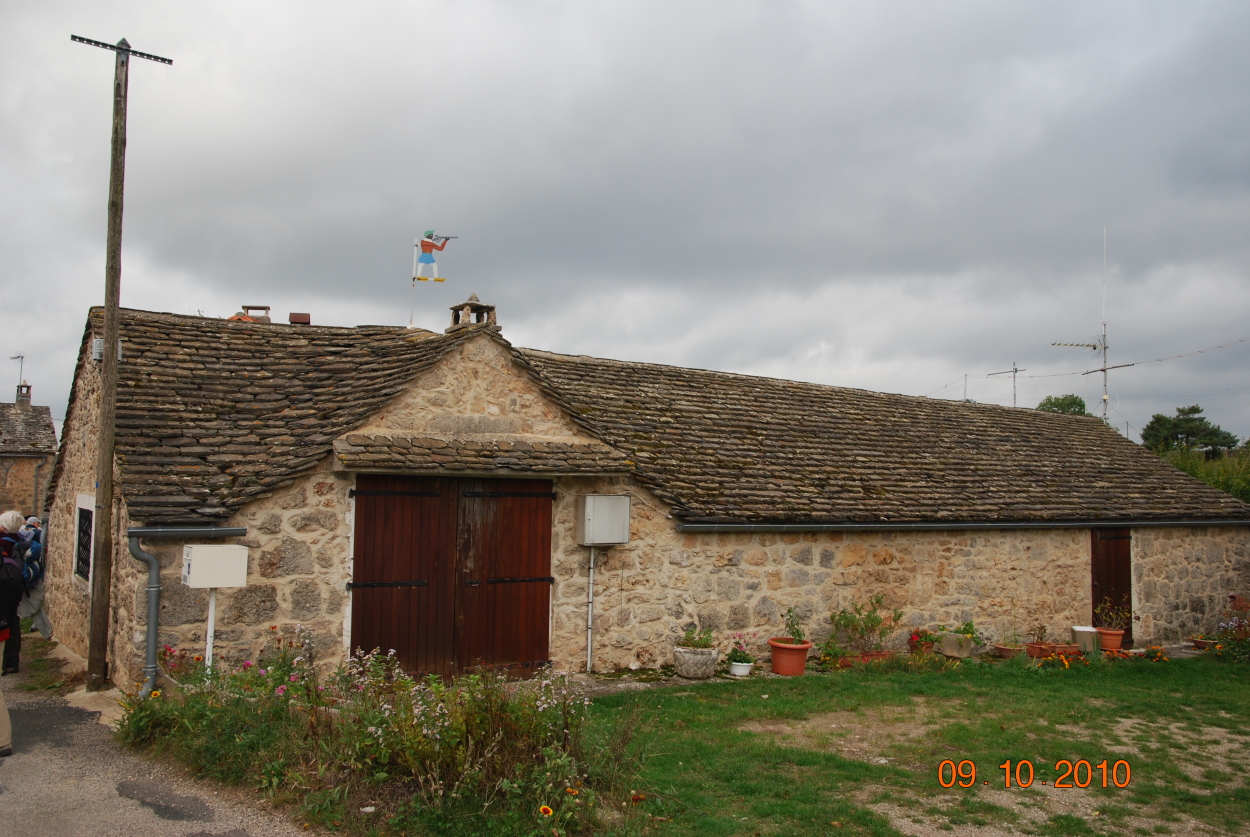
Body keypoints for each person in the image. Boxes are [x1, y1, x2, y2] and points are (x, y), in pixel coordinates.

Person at [17, 517, 52, 640]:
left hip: (22, 577)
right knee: (35, 606)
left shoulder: (18, 536)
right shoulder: (37, 533)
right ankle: (46, 632)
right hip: (33, 577)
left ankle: (46, 632)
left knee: (31, 606)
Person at [0, 510, 26, 676]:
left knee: (3, 621)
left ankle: (3, 662)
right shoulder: (21, 541)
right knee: (12, 620)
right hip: (16, 584)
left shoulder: (2, 543)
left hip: (3, 584)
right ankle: (12, 662)